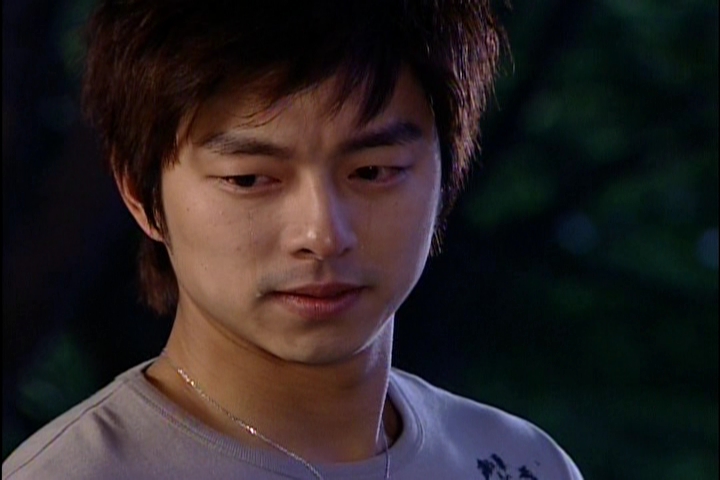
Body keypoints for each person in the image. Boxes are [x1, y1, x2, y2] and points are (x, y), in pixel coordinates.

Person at [2, 1, 584, 479]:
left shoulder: (522, 463)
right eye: (249, 179)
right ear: (139, 192)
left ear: (446, 171)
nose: (322, 234)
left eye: (372, 171)